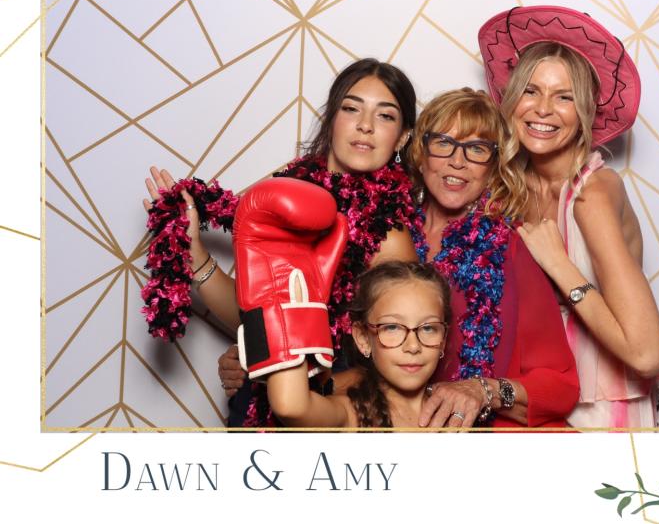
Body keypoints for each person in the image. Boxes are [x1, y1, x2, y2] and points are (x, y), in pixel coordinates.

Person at [143, 58, 421, 426]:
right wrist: (194, 251)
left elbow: (400, 361)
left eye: (385, 116)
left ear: (401, 137)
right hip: (256, 407)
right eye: (351, 108)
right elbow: (254, 314)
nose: (365, 125)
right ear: (332, 118)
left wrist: (309, 381)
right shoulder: (284, 190)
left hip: (325, 411)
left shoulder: (390, 236)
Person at [478, 5, 659, 428]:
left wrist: (559, 265)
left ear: (586, 110)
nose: (543, 109)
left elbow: (646, 353)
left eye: (564, 97)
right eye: (531, 91)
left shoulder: (592, 195)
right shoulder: (509, 188)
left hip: (598, 406)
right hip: (530, 394)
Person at [408, 88, 579, 428]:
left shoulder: (509, 248)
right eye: (443, 142)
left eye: (477, 149)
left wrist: (483, 391)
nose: (458, 161)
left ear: (494, 166)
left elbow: (561, 386)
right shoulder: (385, 231)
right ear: (420, 153)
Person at [267, 261, 454, 429]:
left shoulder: (458, 411)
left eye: (428, 328)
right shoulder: (350, 413)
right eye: (392, 327)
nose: (413, 347)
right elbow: (291, 407)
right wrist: (289, 297)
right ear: (363, 339)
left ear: (443, 339)